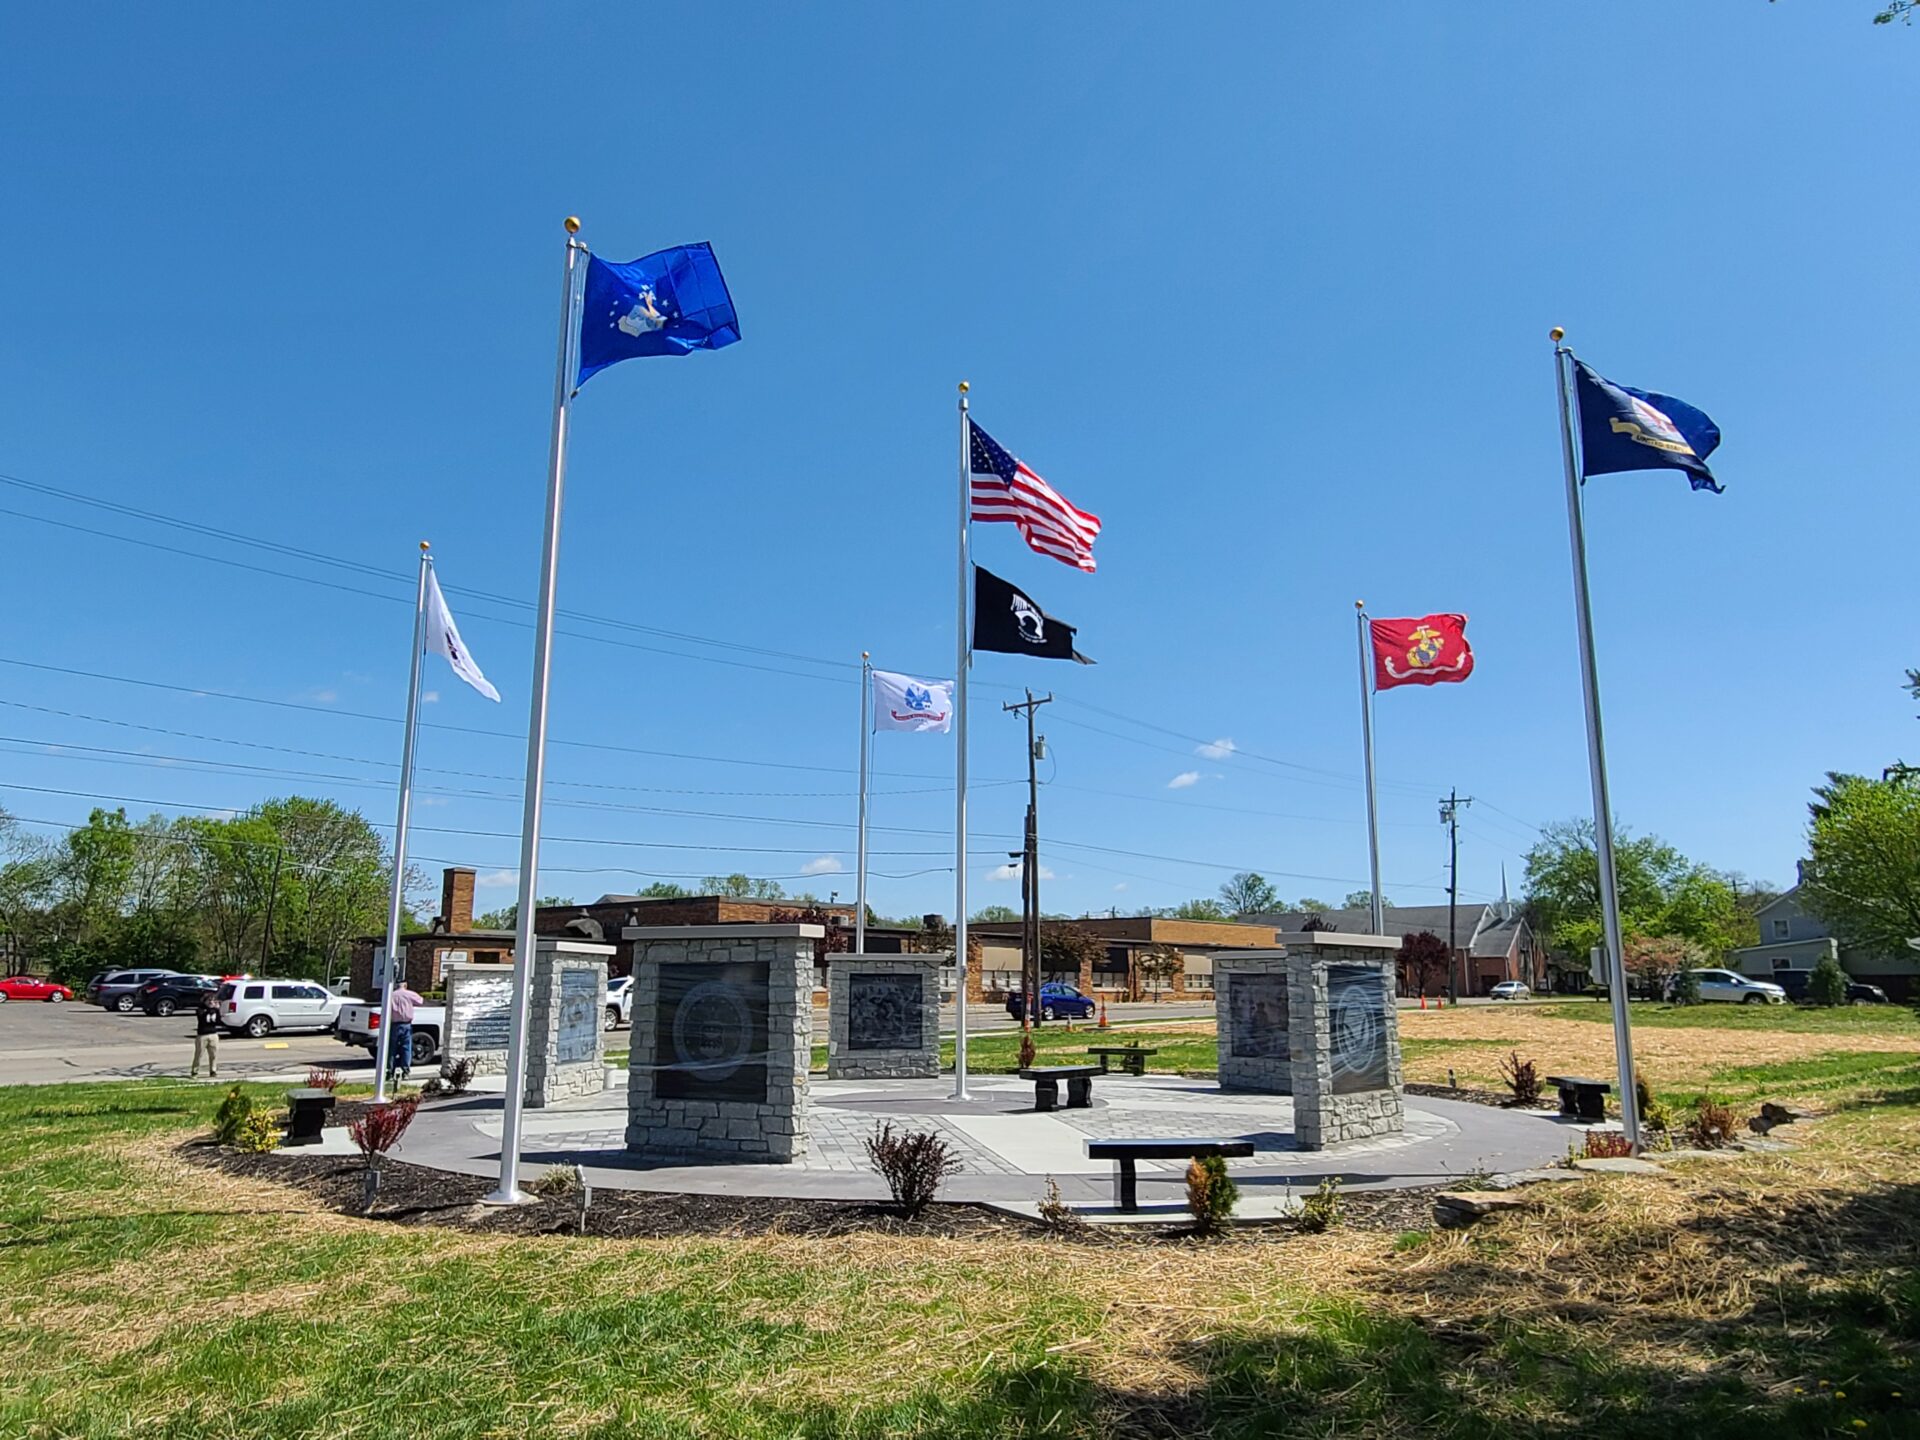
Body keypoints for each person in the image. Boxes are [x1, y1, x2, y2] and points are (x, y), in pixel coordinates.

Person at [386, 979, 423, 1082]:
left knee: (392, 1049)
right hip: (406, 1024)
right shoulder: (410, 994)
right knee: (406, 1048)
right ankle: (405, 1072)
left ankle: (389, 1071)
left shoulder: (391, 995)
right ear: (405, 985)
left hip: (394, 1025)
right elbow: (420, 1001)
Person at [191, 993, 221, 1078]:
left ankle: (213, 1070)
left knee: (214, 1054)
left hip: (213, 1034)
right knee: (199, 1054)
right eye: (209, 1000)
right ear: (205, 1001)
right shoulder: (200, 1010)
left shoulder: (215, 1010)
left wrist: (217, 1010)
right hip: (202, 1035)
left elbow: (218, 1021)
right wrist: (210, 1009)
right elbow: (202, 1019)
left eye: (213, 1000)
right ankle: (195, 1071)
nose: (211, 1002)